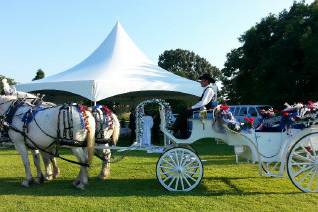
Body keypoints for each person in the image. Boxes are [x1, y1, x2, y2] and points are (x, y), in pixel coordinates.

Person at [175, 73, 218, 138]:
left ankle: (177, 130)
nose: (200, 82)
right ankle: (181, 132)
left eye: (202, 80)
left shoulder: (209, 90)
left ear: (206, 81)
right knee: (184, 112)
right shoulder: (207, 89)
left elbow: (203, 102)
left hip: (204, 109)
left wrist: (191, 107)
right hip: (203, 108)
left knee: (184, 112)